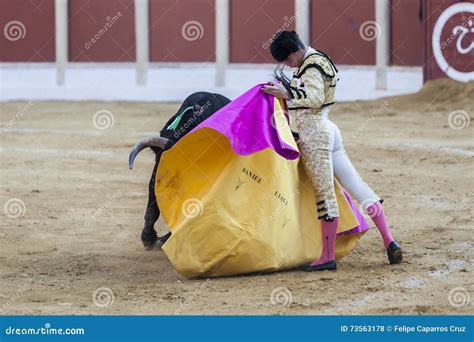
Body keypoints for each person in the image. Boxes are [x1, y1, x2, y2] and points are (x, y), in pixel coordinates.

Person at [261, 31, 402, 271]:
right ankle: (389, 240)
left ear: (295, 51)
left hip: (316, 134)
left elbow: (314, 98)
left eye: (287, 59)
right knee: (357, 186)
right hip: (328, 130)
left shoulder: (312, 66)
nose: (287, 65)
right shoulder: (316, 59)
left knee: (325, 195)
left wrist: (287, 94)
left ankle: (327, 256)